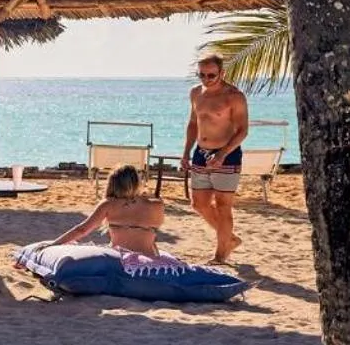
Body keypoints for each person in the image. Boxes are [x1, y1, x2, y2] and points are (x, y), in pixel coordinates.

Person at [181, 51, 249, 263]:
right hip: (201, 153)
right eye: (201, 75)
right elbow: (193, 124)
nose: (206, 80)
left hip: (227, 155)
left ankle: (221, 255)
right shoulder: (195, 93)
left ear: (222, 73)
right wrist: (185, 152)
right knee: (199, 204)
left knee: (223, 205)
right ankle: (230, 239)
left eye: (211, 75)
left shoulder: (234, 96)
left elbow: (243, 131)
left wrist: (222, 154)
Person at [45, 164, 166, 256]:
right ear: (137, 183)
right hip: (150, 257)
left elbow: (82, 230)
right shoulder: (157, 205)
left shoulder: (108, 204)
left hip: (119, 257)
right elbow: (152, 233)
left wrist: (53, 245)